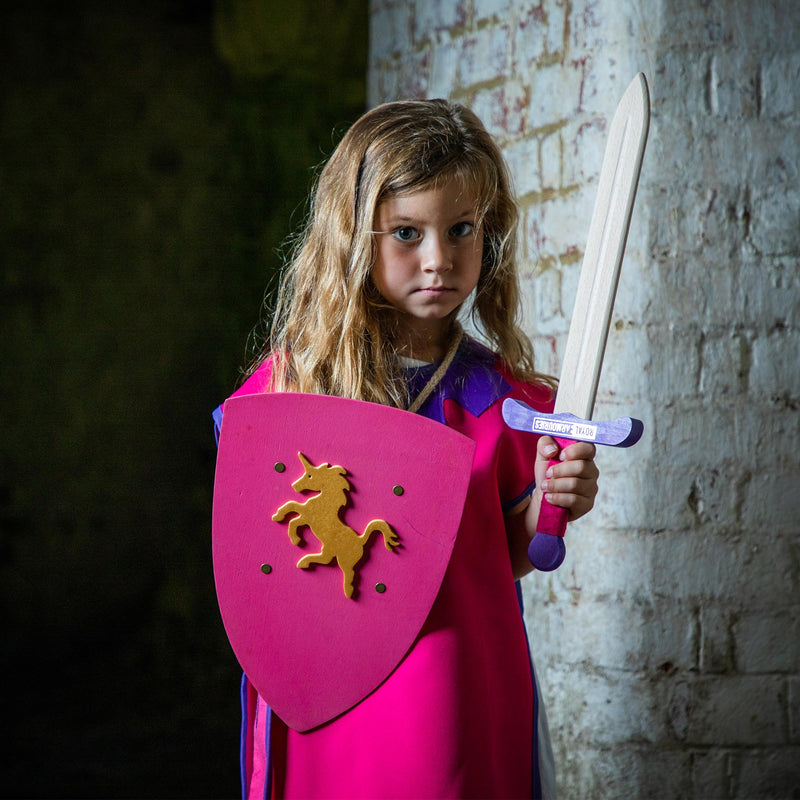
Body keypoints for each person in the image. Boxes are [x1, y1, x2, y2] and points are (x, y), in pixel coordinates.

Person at [214, 98, 599, 800]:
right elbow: (256, 559)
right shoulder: (296, 390)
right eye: (406, 233)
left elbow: (519, 554)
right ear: (355, 239)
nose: (439, 261)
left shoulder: (501, 401)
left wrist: (554, 499)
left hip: (456, 675)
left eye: (460, 231)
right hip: (327, 682)